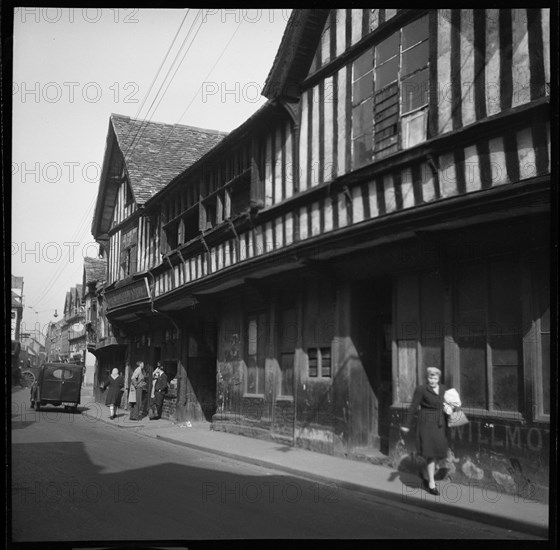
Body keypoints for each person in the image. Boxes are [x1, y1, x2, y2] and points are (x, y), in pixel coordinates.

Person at [400, 367, 449, 496]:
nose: (432, 380)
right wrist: (406, 424)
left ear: (439, 378)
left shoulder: (444, 389)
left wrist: (449, 409)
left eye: (435, 378)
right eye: (430, 378)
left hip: (440, 423)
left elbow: (450, 404)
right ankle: (431, 483)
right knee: (431, 453)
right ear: (427, 378)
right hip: (426, 424)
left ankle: (426, 471)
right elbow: (413, 406)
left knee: (440, 450)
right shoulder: (421, 389)